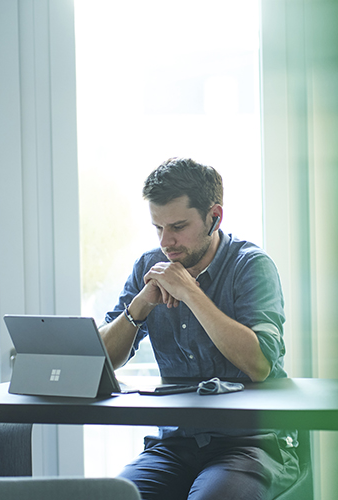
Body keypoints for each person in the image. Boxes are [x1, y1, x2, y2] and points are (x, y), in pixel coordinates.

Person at [99, 157, 299, 500]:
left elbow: (260, 364)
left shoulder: (251, 266)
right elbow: (101, 360)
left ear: (214, 217)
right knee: (114, 496)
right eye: (158, 228)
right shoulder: (149, 267)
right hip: (173, 445)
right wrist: (140, 306)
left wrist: (190, 292)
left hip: (250, 445)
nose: (167, 241)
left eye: (178, 226)